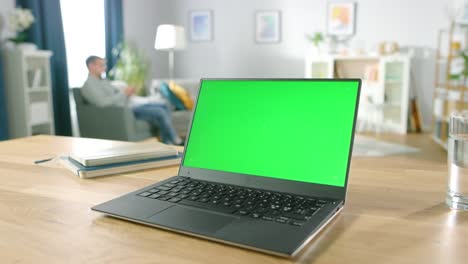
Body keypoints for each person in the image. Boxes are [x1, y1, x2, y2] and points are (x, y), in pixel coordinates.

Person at [81, 55, 183, 145]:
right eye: (101, 65)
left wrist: (127, 92)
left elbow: (116, 93)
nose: (104, 68)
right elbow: (102, 102)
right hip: (122, 111)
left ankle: (167, 140)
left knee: (164, 105)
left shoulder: (103, 81)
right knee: (160, 111)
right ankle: (174, 139)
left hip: (129, 104)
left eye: (104, 65)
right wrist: (124, 93)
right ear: (91, 66)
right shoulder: (88, 85)